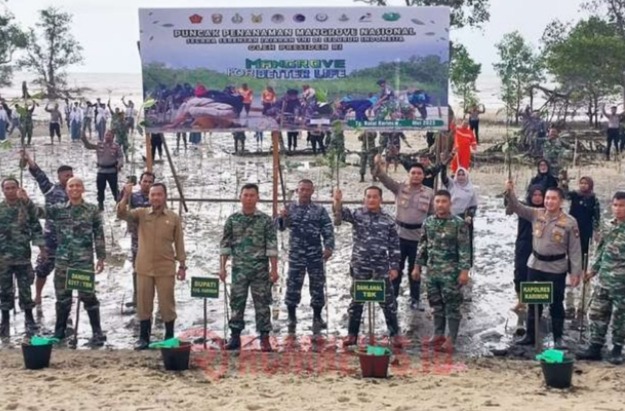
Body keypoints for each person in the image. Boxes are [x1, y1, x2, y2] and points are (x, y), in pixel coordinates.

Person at [504, 182, 582, 349]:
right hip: (535, 265)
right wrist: (510, 191)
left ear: (560, 201)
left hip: (556, 268)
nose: (549, 201)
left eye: (553, 198)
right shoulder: (536, 214)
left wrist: (575, 272)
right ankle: (530, 335)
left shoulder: (570, 222)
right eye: (547, 198)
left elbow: (575, 249)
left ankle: (558, 337)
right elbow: (517, 207)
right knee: (533, 302)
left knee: (556, 303)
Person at [35, 177, 106, 345]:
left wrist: (101, 257)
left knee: (88, 297)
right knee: (62, 298)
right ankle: (59, 332)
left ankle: (97, 333)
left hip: (83, 262)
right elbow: (39, 212)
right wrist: (25, 200)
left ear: (83, 189)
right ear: (66, 190)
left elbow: (99, 234)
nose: (74, 188)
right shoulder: (59, 210)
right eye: (71, 186)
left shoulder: (92, 210)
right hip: (63, 262)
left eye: (77, 186)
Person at [117, 182, 186, 350]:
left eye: (159, 194)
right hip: (144, 268)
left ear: (165, 196)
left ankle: (169, 336)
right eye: (153, 195)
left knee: (167, 304)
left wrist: (182, 265)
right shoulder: (141, 214)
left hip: (165, 268)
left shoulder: (173, 217)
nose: (155, 197)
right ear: (149, 196)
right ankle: (143, 338)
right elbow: (121, 214)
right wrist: (126, 196)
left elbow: (179, 243)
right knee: (144, 304)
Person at [333, 186, 402, 347]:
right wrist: (337, 201)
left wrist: (394, 266)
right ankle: (352, 334)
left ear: (381, 199)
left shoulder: (388, 219)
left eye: (375, 197)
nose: (371, 200)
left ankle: (394, 334)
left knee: (388, 301)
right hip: (360, 265)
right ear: (364, 199)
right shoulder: (357, 215)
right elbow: (340, 215)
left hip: (381, 266)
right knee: (357, 300)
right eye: (368, 197)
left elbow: (394, 246)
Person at [220, 184, 278, 352]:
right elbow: (225, 246)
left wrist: (274, 270)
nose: (249, 198)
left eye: (252, 195)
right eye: (245, 195)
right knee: (237, 303)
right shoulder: (232, 220)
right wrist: (222, 268)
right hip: (239, 270)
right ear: (240, 197)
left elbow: (272, 247)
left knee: (262, 304)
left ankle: (265, 338)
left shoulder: (266, 220)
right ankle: (235, 337)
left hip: (260, 270)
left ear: (257, 198)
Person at [414, 189, 471, 353]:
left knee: (452, 305)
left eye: (443, 201)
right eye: (437, 201)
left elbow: (465, 249)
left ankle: (451, 338)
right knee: (436, 304)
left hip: (451, 272)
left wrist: (464, 271)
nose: (440, 205)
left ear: (450, 204)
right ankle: (438, 334)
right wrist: (417, 266)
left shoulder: (459, 224)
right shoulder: (428, 222)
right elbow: (422, 246)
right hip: (432, 272)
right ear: (433, 203)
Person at [373, 155, 433, 310]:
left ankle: (415, 298)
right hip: (399, 237)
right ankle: (393, 297)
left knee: (416, 270)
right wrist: (378, 166)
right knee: (395, 269)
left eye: (419, 173)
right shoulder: (399, 188)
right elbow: (384, 179)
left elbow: (433, 217)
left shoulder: (429, 193)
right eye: (413, 173)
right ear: (409, 174)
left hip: (418, 238)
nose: (416, 176)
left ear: (424, 176)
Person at [277, 180, 334, 335]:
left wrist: (329, 247)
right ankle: (291, 316)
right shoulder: (289, 208)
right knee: (293, 284)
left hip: (315, 253)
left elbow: (327, 228)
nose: (304, 192)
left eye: (307, 189)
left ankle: (317, 316)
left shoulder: (319, 210)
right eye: (302, 189)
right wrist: (282, 217)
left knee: (317, 285)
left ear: (312, 191)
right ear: (297, 191)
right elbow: (280, 227)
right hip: (296, 254)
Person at [576, 192, 625, 365]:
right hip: (604, 279)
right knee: (597, 312)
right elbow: (600, 251)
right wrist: (592, 270)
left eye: (622, 206)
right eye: (616, 205)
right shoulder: (607, 226)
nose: (618, 209)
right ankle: (595, 346)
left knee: (620, 316)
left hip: (622, 282)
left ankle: (617, 348)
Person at [21, 150, 73, 305]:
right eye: (66, 176)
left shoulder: (76, 191)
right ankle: (37, 295)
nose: (69, 178)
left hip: (69, 241)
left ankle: (67, 298)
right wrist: (28, 159)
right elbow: (39, 175)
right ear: (59, 177)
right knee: (43, 269)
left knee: (68, 270)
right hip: (51, 239)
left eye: (71, 175)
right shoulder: (51, 190)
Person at [0, 178, 45, 337]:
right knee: (4, 289)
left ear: (18, 188)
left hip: (23, 256)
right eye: (7, 188)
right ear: (3, 191)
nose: (10, 190)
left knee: (25, 288)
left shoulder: (25, 206)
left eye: (13, 187)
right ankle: (4, 320)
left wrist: (42, 248)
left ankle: (29, 319)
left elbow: (36, 226)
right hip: (3, 258)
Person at [564, 176, 601, 319]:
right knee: (570, 264)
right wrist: (564, 183)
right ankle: (569, 304)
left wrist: (597, 231)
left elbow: (596, 216)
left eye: (586, 183)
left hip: (586, 234)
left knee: (584, 264)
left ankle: (583, 305)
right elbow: (564, 193)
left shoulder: (593, 198)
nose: (583, 185)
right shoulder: (574, 195)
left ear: (590, 185)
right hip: (572, 233)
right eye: (581, 183)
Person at [506, 185, 545, 316]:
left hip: (539, 246)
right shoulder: (523, 207)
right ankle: (521, 300)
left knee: (535, 276)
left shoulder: (547, 211)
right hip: (524, 243)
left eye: (540, 195)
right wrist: (510, 191)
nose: (538, 198)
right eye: (535, 195)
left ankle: (533, 305)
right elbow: (511, 207)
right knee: (519, 274)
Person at [121, 172, 154, 309]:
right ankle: (137, 297)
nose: (147, 184)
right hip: (137, 239)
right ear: (140, 182)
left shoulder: (156, 197)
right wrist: (125, 194)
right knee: (137, 269)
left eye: (149, 182)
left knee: (154, 270)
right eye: (144, 181)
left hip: (153, 239)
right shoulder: (133, 197)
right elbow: (122, 211)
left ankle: (151, 297)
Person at [442, 166, 478, 267]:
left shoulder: (471, 189)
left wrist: (470, 215)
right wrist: (444, 166)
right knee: (450, 241)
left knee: (466, 244)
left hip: (465, 219)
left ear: (466, 176)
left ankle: (466, 266)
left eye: (463, 175)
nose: (461, 177)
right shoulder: (452, 185)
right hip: (450, 218)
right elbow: (443, 178)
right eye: (459, 174)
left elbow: (473, 206)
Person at [81, 130, 124, 211]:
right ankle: (100, 205)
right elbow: (89, 146)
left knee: (114, 189)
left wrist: (119, 164)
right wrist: (84, 139)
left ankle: (119, 205)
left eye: (109, 135)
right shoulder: (99, 145)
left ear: (113, 137)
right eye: (106, 135)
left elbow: (120, 156)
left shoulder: (116, 146)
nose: (107, 136)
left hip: (112, 171)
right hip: (101, 171)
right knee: (100, 190)